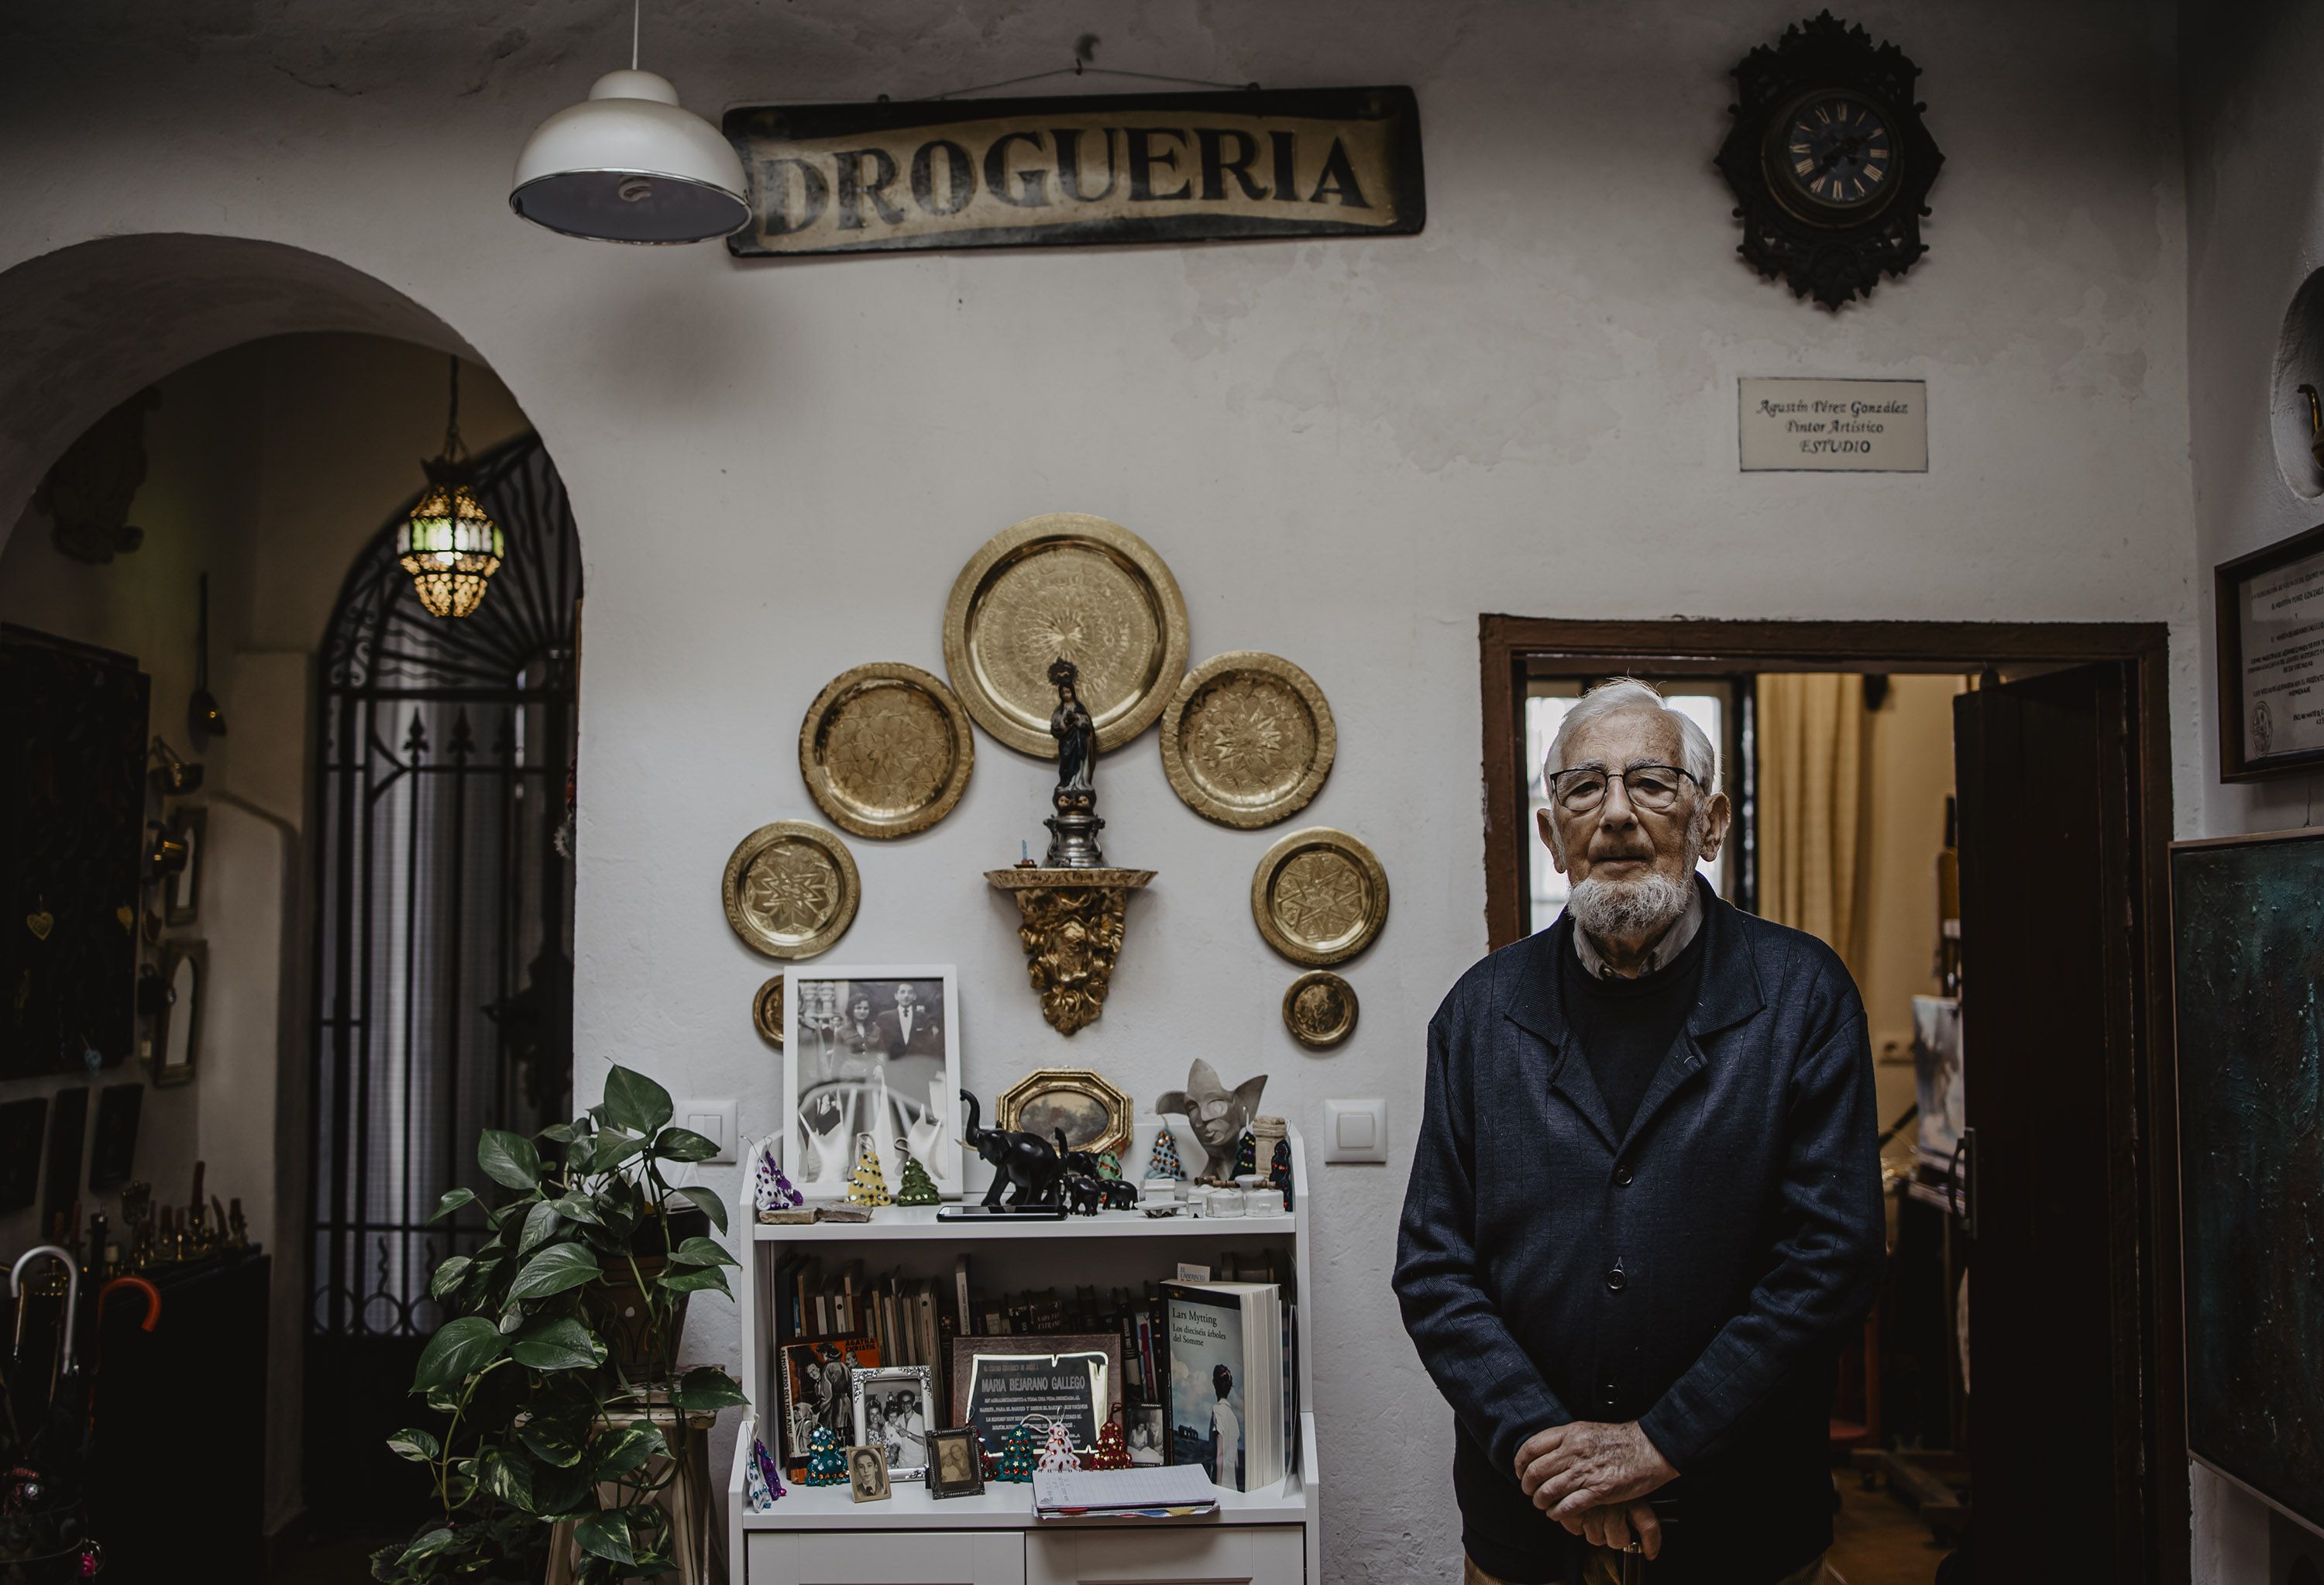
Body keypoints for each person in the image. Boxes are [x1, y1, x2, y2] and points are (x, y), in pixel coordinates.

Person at [1394, 678, 1884, 1585]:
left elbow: (1832, 1259)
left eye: (1653, 783)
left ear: (1712, 821)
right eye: (1583, 788)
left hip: (1746, 1522)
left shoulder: (1803, 994)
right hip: (1527, 1524)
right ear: (1551, 835)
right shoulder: (1479, 1012)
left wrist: (1661, 1442)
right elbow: (1433, 1269)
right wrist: (1553, 1452)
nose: (1616, 814)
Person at [878, 980, 944, 1057]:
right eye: (902, 992)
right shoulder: (884, 1017)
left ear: (914, 996)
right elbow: (880, 1045)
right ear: (896, 996)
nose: (906, 996)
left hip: (916, 1064)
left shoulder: (924, 1018)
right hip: (892, 1064)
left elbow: (929, 1045)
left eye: (910, 992)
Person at [1208, 1363, 1241, 1490]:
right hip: (1233, 1487)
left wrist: (1218, 1488)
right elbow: (1237, 1463)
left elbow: (1220, 1454)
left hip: (1220, 1486)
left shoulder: (1217, 1411)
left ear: (1214, 1383)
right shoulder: (1233, 1418)